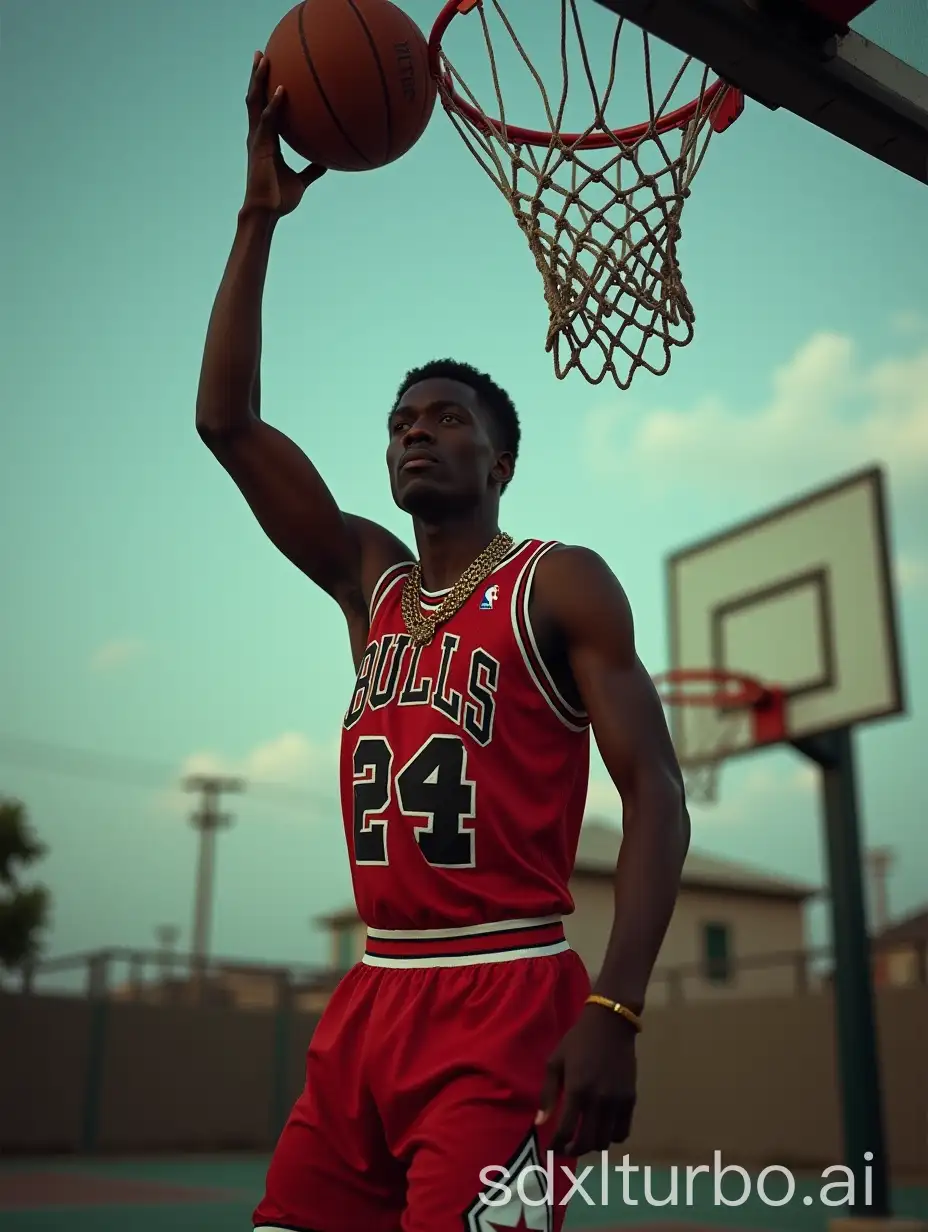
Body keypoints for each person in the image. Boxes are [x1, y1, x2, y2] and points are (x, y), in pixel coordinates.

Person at [196, 51, 690, 1232]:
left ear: (497, 459)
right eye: (400, 422)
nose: (417, 434)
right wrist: (258, 215)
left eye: (447, 419)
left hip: (510, 993)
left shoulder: (557, 582)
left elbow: (659, 795)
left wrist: (614, 1009)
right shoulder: (367, 578)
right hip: (370, 999)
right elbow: (225, 421)